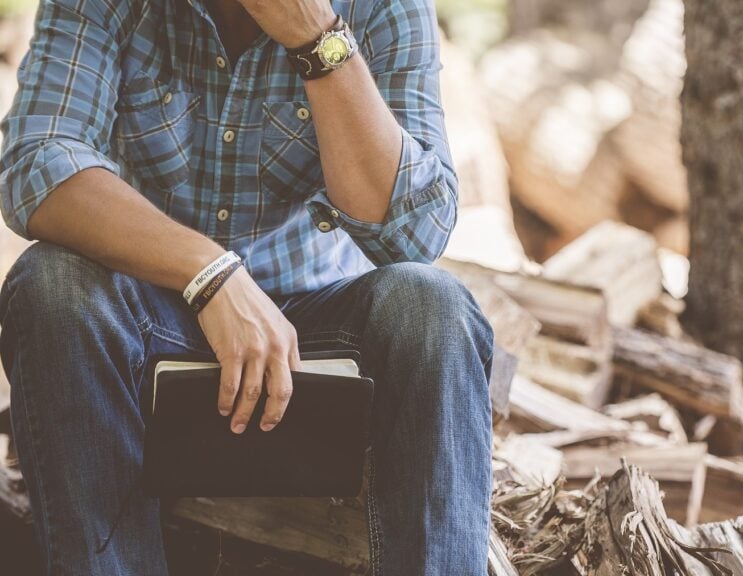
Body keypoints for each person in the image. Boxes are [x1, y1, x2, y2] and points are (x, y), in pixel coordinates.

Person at [0, 0, 494, 574]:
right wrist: (208, 274)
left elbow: (416, 234)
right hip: (145, 326)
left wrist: (316, 39)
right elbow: (36, 164)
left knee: (433, 308)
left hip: (317, 343)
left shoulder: (384, 8)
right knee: (50, 283)